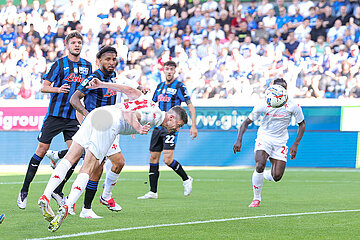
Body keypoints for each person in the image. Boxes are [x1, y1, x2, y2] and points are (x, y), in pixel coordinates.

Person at [38, 81, 188, 232]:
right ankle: (68, 205)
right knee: (89, 167)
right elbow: (129, 113)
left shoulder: (149, 102)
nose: (177, 129)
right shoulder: (155, 116)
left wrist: (102, 84)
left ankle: (45, 196)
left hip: (97, 113)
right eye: (178, 125)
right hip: (109, 122)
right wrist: (138, 128)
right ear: (170, 117)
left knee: (70, 158)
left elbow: (128, 90)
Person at [17, 31, 92, 210]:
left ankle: (58, 190)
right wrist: (57, 90)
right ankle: (24, 190)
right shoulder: (59, 64)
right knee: (41, 150)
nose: (77, 45)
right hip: (55, 116)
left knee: (78, 154)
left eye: (79, 42)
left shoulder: (87, 66)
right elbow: (44, 87)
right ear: (67, 45)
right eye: (73, 42)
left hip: (72, 118)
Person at [233, 78, 306, 208]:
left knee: (277, 176)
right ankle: (256, 198)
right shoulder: (264, 103)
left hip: (280, 141)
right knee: (260, 164)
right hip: (264, 137)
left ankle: (265, 175)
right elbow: (246, 122)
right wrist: (239, 139)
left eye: (283, 88)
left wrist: (296, 144)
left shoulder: (293, 105)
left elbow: (302, 124)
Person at [137, 60, 197, 200]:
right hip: (157, 126)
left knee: (168, 159)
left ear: (175, 71)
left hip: (171, 128)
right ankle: (153, 191)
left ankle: (186, 179)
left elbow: (190, 106)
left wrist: (193, 125)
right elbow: (151, 105)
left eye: (171, 69)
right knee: (153, 157)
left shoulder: (179, 86)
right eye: (167, 69)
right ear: (163, 70)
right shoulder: (159, 87)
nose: (169, 71)